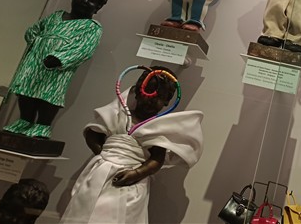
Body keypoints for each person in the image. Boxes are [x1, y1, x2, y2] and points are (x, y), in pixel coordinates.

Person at [60, 66, 203, 224]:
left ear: (167, 101)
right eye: (148, 92)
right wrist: (105, 154)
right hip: (100, 170)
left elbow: (157, 159)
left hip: (130, 179)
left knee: (119, 215)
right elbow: (92, 133)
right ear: (137, 91)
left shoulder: (158, 128)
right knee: (84, 207)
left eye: (159, 97)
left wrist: (137, 173)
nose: (151, 100)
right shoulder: (118, 115)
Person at [3, 0, 110, 139]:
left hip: (57, 71)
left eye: (91, 0)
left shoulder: (91, 28)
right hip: (34, 64)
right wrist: (34, 40)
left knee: (48, 95)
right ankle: (25, 120)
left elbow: (83, 49)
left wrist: (60, 58)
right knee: (25, 92)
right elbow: (35, 30)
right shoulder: (56, 16)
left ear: (98, 6)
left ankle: (42, 125)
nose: (85, 1)